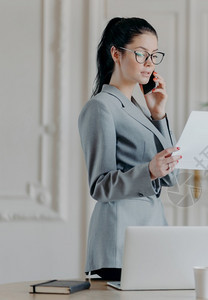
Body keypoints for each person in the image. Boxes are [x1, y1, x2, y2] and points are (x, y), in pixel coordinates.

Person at [78, 17, 181, 280]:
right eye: (141, 54)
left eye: (154, 56)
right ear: (116, 53)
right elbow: (99, 186)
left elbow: (170, 176)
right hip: (119, 241)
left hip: (151, 235)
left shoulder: (137, 108)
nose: (149, 63)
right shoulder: (101, 107)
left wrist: (158, 114)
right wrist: (148, 171)